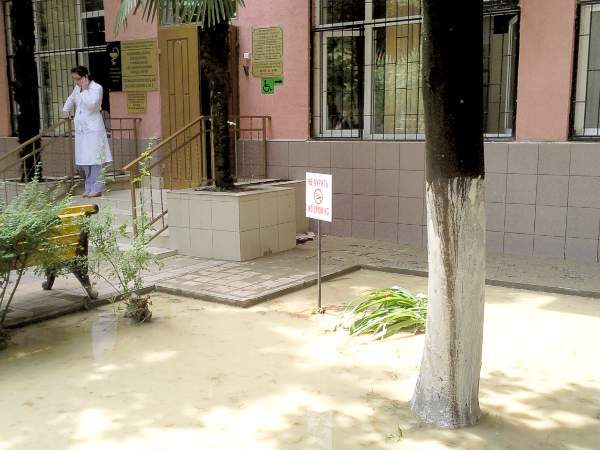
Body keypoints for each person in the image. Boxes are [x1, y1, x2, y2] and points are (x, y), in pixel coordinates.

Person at [62, 66, 112, 198]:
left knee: (95, 160)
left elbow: (92, 105)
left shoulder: (96, 88)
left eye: (78, 79)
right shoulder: (77, 88)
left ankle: (97, 188)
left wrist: (84, 90)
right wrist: (66, 109)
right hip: (81, 130)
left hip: (93, 129)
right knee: (85, 160)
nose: (76, 82)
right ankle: (88, 187)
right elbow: (71, 99)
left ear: (85, 77)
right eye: (74, 79)